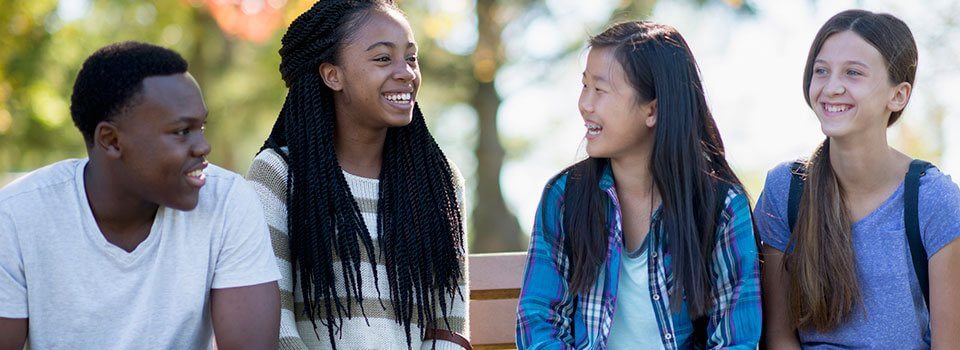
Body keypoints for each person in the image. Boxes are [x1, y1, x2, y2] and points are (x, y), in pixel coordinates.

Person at [0, 41, 281, 349]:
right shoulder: (17, 216)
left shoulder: (227, 201)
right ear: (111, 140)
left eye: (201, 127)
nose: (203, 146)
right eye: (181, 131)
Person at [515, 21, 761, 349]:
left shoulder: (721, 207)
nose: (585, 104)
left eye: (600, 90)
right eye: (584, 86)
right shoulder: (564, 197)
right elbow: (538, 318)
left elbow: (737, 339)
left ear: (652, 110)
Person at [245, 1, 469, 349]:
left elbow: (449, 327)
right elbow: (273, 326)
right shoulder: (278, 176)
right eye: (383, 58)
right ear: (332, 75)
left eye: (411, 58)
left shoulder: (439, 181)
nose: (407, 72)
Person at [757, 9, 960, 349]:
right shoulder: (786, 190)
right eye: (821, 71)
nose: (831, 87)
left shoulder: (933, 200)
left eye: (853, 73)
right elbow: (778, 335)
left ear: (899, 95)